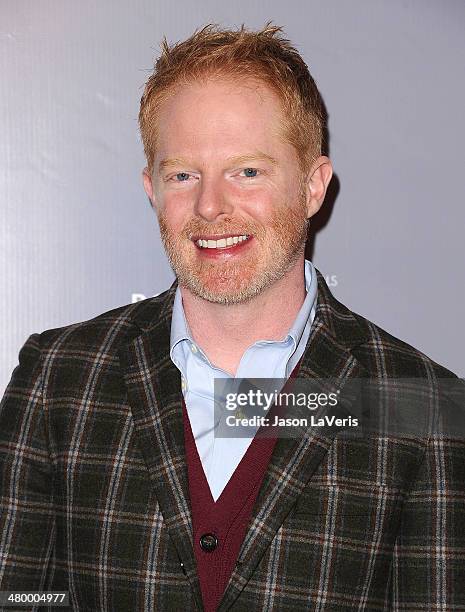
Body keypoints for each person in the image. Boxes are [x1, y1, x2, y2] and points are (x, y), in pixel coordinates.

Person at [0, 22, 463, 612]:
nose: (210, 205)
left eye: (247, 171)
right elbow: (19, 597)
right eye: (183, 174)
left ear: (314, 186)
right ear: (151, 188)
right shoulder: (58, 378)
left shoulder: (422, 404)